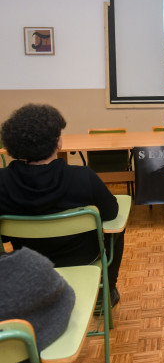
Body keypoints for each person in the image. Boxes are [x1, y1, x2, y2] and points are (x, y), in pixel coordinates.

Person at [0, 103, 123, 305]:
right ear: (58, 143)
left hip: (28, 260)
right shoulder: (83, 176)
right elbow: (111, 213)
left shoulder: (2, 182)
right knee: (117, 230)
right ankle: (106, 291)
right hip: (85, 257)